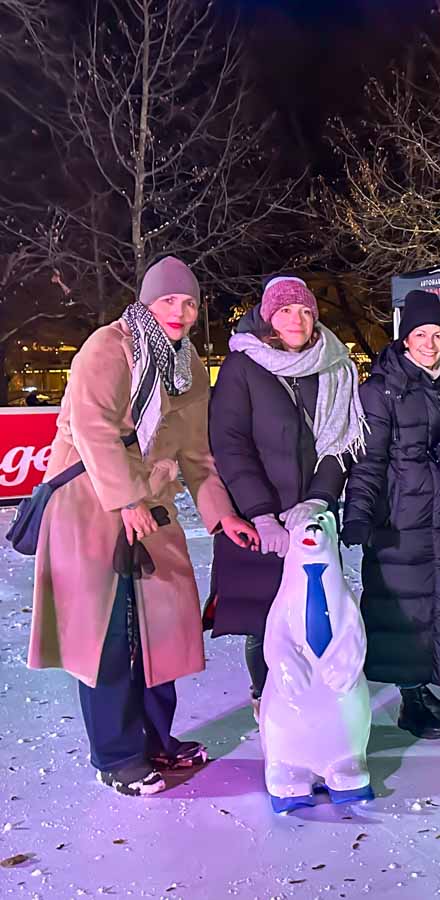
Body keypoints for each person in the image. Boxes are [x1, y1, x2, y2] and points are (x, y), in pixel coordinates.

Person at [28, 256, 257, 797]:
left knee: (163, 624)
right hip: (90, 503)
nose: (180, 312)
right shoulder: (109, 346)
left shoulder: (191, 365)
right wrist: (127, 499)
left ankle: (156, 737)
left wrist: (222, 515)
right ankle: (116, 756)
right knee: (105, 636)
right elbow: (92, 427)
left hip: (148, 505)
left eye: (190, 303)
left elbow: (198, 455)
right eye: (169, 301)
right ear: (147, 302)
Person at [207, 276, 366, 719]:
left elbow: (344, 442)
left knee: (316, 611)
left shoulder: (335, 365)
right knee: (265, 617)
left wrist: (318, 499)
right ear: (267, 317)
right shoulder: (243, 366)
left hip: (312, 516)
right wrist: (261, 515)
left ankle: (319, 704)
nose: (296, 319)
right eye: (285, 311)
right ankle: (268, 701)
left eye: (304, 311)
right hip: (260, 518)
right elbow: (230, 442)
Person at [341, 290, 440, 739]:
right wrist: (358, 511)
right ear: (406, 337)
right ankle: (409, 701)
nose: (430, 343)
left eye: (437, 334)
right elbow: (368, 459)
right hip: (400, 518)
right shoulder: (381, 390)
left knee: (439, 603)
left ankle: (424, 688)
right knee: (406, 611)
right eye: (421, 334)